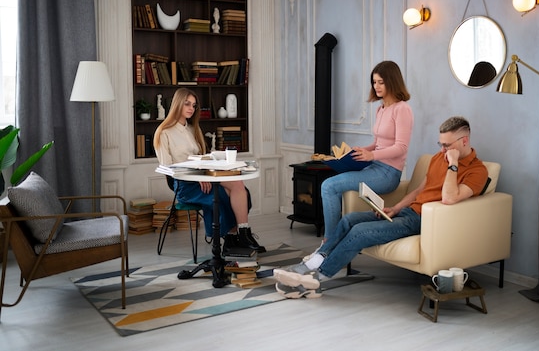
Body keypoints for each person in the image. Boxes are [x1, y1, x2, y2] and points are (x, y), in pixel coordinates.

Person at [274, 116, 488, 298]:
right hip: (408, 212)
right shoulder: (437, 159)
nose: (442, 150)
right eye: (440, 144)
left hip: (425, 221)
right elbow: (418, 192)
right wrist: (395, 208)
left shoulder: (478, 171)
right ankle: (311, 265)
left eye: (447, 145)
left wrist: (453, 164)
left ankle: (315, 281)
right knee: (349, 219)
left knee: (360, 232)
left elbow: (450, 198)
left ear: (464, 141)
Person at [153, 88, 265, 253]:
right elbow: (167, 168)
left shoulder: (193, 129)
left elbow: (200, 158)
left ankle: (242, 233)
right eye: (187, 104)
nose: (191, 108)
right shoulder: (163, 132)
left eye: (194, 105)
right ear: (177, 104)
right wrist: (196, 176)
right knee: (222, 195)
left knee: (239, 186)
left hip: (203, 177)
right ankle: (231, 239)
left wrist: (209, 167)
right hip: (185, 185)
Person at [319, 60, 413, 244]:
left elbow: (401, 147)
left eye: (381, 82)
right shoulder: (381, 109)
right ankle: (335, 239)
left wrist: (373, 155)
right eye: (374, 82)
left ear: (392, 81)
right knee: (331, 184)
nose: (376, 86)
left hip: (388, 174)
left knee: (328, 186)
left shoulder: (402, 109)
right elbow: (379, 143)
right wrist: (365, 149)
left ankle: (328, 242)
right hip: (374, 167)